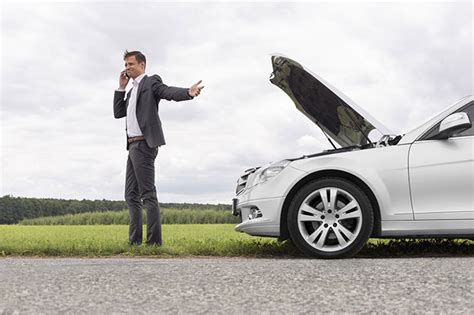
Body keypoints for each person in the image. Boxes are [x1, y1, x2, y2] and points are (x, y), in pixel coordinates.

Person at [113, 50, 203, 246]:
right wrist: (121, 87)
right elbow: (118, 113)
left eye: (131, 64)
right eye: (125, 65)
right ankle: (134, 242)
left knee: (147, 195)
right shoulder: (130, 91)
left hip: (144, 144)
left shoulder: (150, 82)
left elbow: (167, 91)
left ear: (142, 65)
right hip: (132, 146)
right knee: (130, 195)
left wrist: (187, 92)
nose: (127, 68)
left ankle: (153, 243)